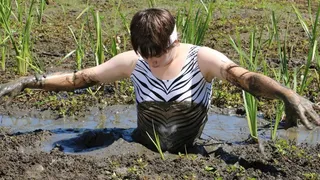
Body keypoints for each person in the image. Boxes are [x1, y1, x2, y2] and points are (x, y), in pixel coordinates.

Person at [0, 8, 319, 153]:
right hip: (137, 143)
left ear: (174, 40)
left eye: (160, 51)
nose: (153, 59)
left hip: (188, 149)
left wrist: (287, 94)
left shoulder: (201, 58)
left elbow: (245, 78)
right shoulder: (133, 62)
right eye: (146, 52)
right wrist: (30, 81)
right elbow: (79, 79)